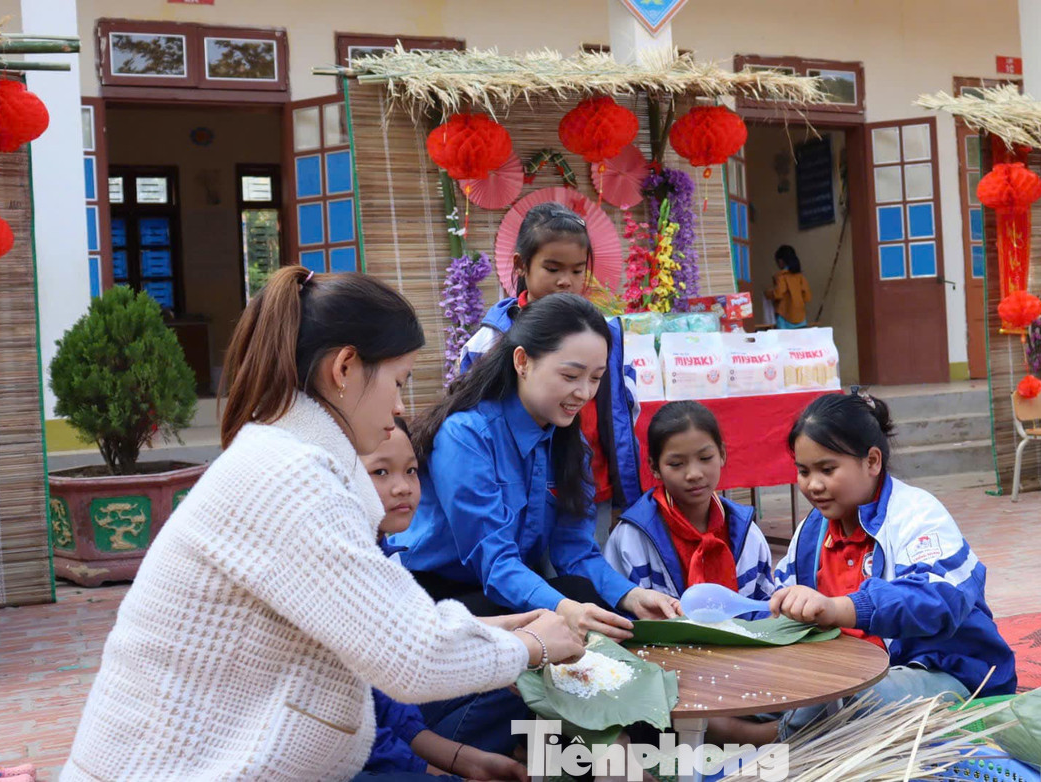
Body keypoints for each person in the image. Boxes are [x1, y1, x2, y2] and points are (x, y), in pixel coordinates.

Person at [62, 267, 582, 782]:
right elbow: (413, 657)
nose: (400, 406)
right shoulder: (288, 479)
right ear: (345, 369)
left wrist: (502, 631)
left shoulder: (291, 461)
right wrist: (532, 646)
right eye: (397, 381)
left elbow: (379, 627)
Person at [398, 292, 680, 628]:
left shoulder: (570, 442)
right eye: (570, 376)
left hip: (503, 588)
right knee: (568, 613)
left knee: (584, 594)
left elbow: (574, 551)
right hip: (437, 594)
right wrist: (563, 609)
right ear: (522, 362)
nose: (584, 393)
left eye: (595, 378)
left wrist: (632, 596)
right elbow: (495, 561)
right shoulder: (466, 436)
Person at [771, 391, 1015, 738]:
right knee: (778, 683)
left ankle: (759, 740)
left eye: (827, 469)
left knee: (842, 699)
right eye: (803, 471)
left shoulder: (917, 514)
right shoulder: (811, 532)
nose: (813, 485)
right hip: (856, 673)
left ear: (872, 461)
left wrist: (839, 608)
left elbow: (940, 600)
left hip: (947, 674)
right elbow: (782, 596)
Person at [358, 418, 530, 782]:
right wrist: (443, 771)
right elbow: (362, 722)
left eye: (411, 471)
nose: (403, 487)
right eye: (381, 472)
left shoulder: (385, 551)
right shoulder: (345, 568)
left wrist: (463, 762)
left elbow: (385, 706)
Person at [459, 203, 641, 544]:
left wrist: (622, 486)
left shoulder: (605, 336)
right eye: (553, 268)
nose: (565, 281)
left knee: (583, 574)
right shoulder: (492, 341)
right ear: (521, 265)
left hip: (587, 484)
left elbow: (622, 411)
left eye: (576, 271)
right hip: (515, 490)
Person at [603, 401, 774, 610]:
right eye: (676, 464)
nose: (694, 474)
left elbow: (765, 609)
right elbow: (619, 614)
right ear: (654, 467)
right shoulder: (631, 539)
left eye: (705, 458)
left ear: (722, 454)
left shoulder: (748, 534)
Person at [767, 244, 811, 330]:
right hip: (801, 317)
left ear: (781, 261)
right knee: (801, 342)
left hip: (785, 318)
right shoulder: (800, 277)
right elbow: (807, 297)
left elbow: (778, 294)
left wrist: (768, 294)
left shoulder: (781, 277)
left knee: (785, 342)